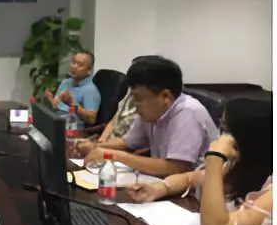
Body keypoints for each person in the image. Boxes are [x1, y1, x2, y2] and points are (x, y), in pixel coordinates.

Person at [127, 97, 272, 225]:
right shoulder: (236, 165)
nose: (221, 137)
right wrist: (160, 188)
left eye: (227, 129)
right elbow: (190, 178)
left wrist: (215, 157)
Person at [77, 56, 218, 176]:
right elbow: (128, 143)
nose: (135, 105)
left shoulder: (188, 112)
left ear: (165, 96)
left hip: (195, 191)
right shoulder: (153, 111)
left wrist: (112, 156)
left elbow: (176, 168)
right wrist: (94, 146)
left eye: (138, 99)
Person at [96, 55, 157, 142]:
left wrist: (99, 146)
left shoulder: (151, 105)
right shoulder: (130, 91)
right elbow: (114, 121)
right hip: (110, 141)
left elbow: (131, 142)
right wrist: (102, 140)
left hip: (125, 145)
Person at [44, 51, 100, 127]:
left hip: (72, 128)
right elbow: (56, 106)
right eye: (73, 62)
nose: (74, 66)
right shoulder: (65, 82)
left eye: (80, 65)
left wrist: (71, 103)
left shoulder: (91, 90)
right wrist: (50, 98)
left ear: (89, 69)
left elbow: (92, 119)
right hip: (56, 121)